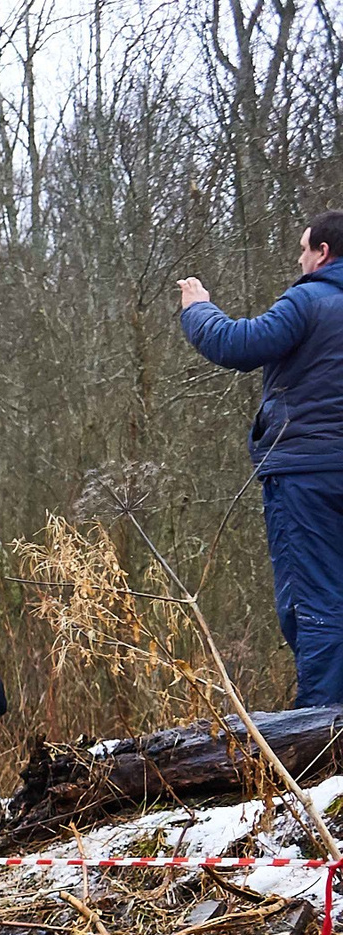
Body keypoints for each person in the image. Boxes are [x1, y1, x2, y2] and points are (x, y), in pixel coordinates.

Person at [179, 211, 343, 706]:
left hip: (308, 474)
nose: (298, 258)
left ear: (323, 252)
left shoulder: (311, 300)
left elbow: (240, 344)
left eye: (302, 248)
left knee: (315, 604)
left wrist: (197, 309)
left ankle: (320, 746)